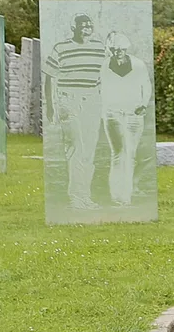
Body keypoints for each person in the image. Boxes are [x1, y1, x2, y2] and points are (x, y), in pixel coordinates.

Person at [45, 13, 104, 210]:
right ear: (74, 28)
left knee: (88, 150)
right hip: (68, 100)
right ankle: (75, 197)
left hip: (92, 100)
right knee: (76, 147)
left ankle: (84, 196)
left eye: (89, 25)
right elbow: (49, 77)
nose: (86, 28)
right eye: (82, 25)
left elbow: (105, 75)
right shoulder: (61, 48)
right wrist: (51, 106)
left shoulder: (99, 48)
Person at [101, 31, 150, 205]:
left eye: (121, 49)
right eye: (114, 49)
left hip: (134, 114)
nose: (118, 52)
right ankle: (117, 194)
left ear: (126, 48)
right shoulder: (104, 66)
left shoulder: (138, 65)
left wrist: (143, 104)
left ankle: (126, 194)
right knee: (119, 152)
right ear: (110, 50)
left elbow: (146, 85)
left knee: (131, 153)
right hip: (112, 114)